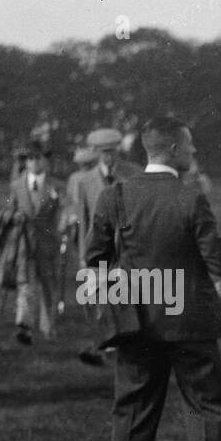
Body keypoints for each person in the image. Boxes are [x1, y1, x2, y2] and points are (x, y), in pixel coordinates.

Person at [86, 116, 221, 441]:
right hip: (191, 324)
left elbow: (94, 259)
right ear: (171, 149)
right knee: (206, 408)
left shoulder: (114, 196)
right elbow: (220, 264)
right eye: (190, 146)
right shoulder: (191, 197)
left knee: (132, 410)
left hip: (137, 325)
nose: (195, 152)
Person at [67, 128, 141, 365]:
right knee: (98, 297)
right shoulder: (85, 181)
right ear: (97, 154)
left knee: (124, 295)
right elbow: (83, 220)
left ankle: (123, 345)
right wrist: (82, 255)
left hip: (127, 247)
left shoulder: (133, 175)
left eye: (112, 152)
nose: (109, 157)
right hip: (98, 248)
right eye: (104, 153)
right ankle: (105, 345)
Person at [7, 142, 65, 345]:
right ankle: (24, 327)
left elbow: (66, 209)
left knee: (49, 286)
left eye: (38, 158)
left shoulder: (56, 186)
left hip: (48, 244)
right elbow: (10, 210)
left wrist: (65, 221)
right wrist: (14, 218)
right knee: (26, 285)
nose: (34, 162)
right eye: (30, 158)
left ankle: (48, 327)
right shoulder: (17, 185)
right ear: (26, 162)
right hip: (24, 244)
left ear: (46, 160)